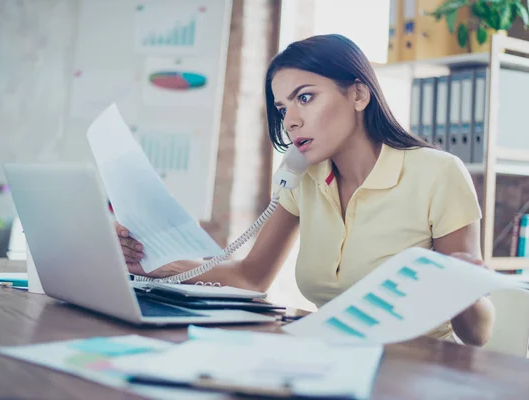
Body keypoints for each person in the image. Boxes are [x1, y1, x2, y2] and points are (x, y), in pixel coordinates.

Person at [115, 34, 494, 346]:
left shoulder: (438, 173)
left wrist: (463, 289)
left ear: (359, 95)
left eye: (305, 97)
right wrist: (161, 267)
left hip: (420, 370)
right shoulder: (304, 177)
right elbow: (251, 276)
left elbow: (477, 333)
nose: (292, 121)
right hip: (330, 357)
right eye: (283, 108)